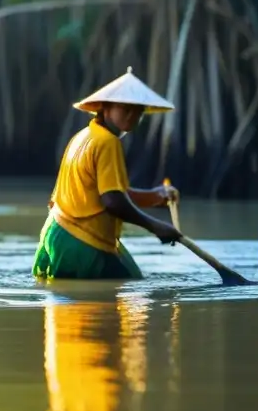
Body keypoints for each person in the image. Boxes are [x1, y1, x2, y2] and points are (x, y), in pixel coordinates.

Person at [33, 67, 182, 280]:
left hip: (55, 232)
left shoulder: (82, 136)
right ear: (105, 107)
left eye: (138, 110)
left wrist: (155, 196)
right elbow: (112, 201)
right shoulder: (108, 142)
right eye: (125, 108)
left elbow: (111, 192)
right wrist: (156, 226)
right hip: (82, 240)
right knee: (126, 290)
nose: (132, 115)